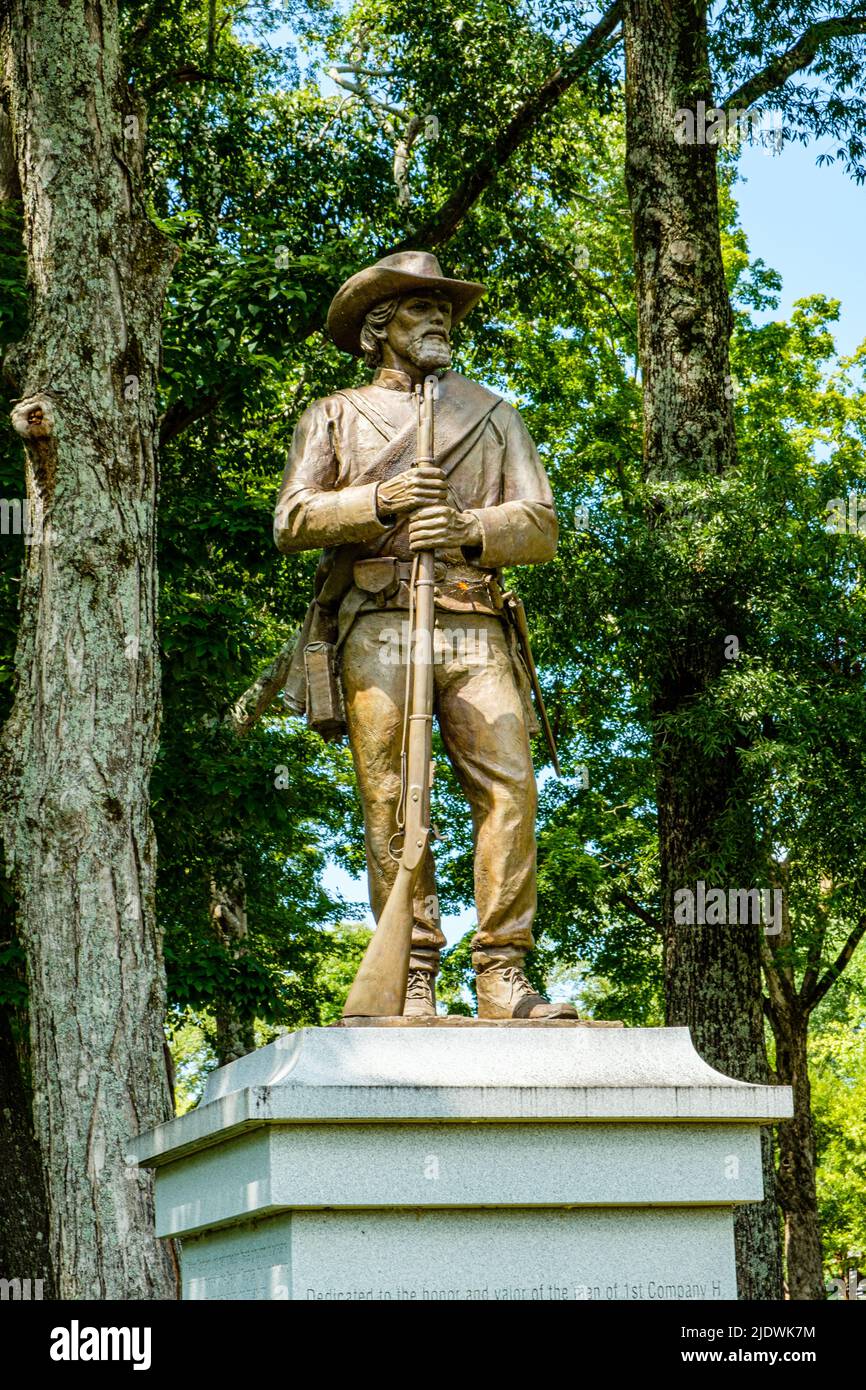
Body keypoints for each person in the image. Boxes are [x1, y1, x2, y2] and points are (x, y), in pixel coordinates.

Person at [274, 251, 577, 1019]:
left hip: (474, 622)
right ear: (380, 327)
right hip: (379, 621)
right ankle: (409, 972)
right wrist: (380, 500)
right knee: (391, 799)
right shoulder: (335, 415)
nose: (438, 319)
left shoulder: (493, 412)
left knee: (511, 787)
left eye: (444, 308)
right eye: (418, 308)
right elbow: (293, 518)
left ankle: (503, 974)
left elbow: (540, 525)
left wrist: (472, 526)